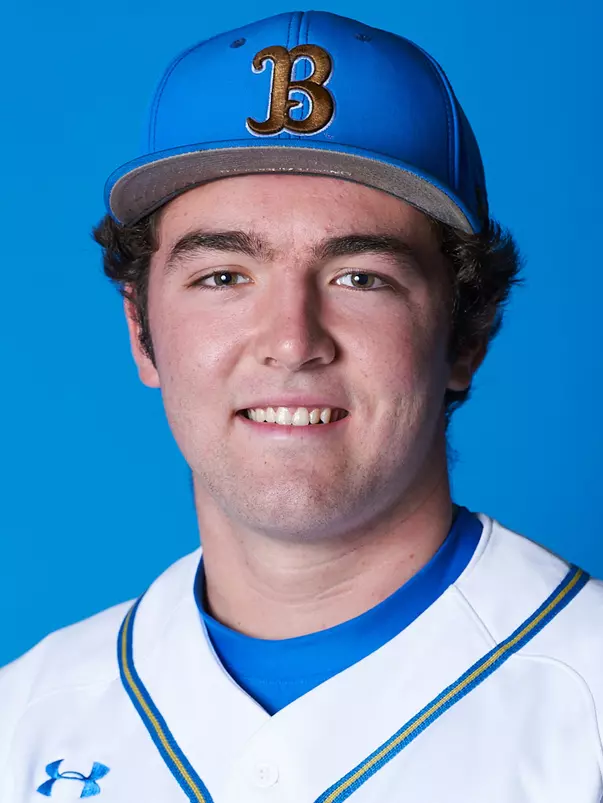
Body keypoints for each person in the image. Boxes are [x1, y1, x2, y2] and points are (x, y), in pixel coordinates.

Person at [1, 9, 602, 802]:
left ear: (466, 334)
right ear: (142, 333)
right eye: (222, 276)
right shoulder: (25, 720)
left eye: (360, 278)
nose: (291, 341)